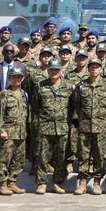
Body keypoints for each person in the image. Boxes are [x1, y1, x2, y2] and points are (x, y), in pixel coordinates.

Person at [71, 57, 106, 195]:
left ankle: (97, 182)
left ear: (101, 69)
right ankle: (82, 182)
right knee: (84, 155)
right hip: (85, 126)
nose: (94, 69)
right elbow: (76, 104)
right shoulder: (81, 85)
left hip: (100, 125)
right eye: (92, 67)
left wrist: (103, 119)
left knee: (98, 154)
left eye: (97, 67)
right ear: (88, 68)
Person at [33, 60, 76, 194]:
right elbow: (35, 106)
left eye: (57, 70)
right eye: (51, 69)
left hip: (62, 127)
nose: (54, 72)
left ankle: (57, 182)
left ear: (61, 70)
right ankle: (41, 183)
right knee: (42, 156)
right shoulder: (40, 86)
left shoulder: (69, 86)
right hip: (45, 126)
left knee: (61, 157)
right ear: (48, 70)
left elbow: (74, 106)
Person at [0, 67, 29, 195]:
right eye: (13, 77)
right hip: (7, 133)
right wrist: (1, 130)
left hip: (21, 133)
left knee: (19, 160)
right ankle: (2, 185)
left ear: (23, 78)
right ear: (9, 78)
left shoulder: (24, 94)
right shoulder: (4, 94)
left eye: (19, 77)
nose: (16, 79)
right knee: (4, 160)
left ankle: (12, 182)